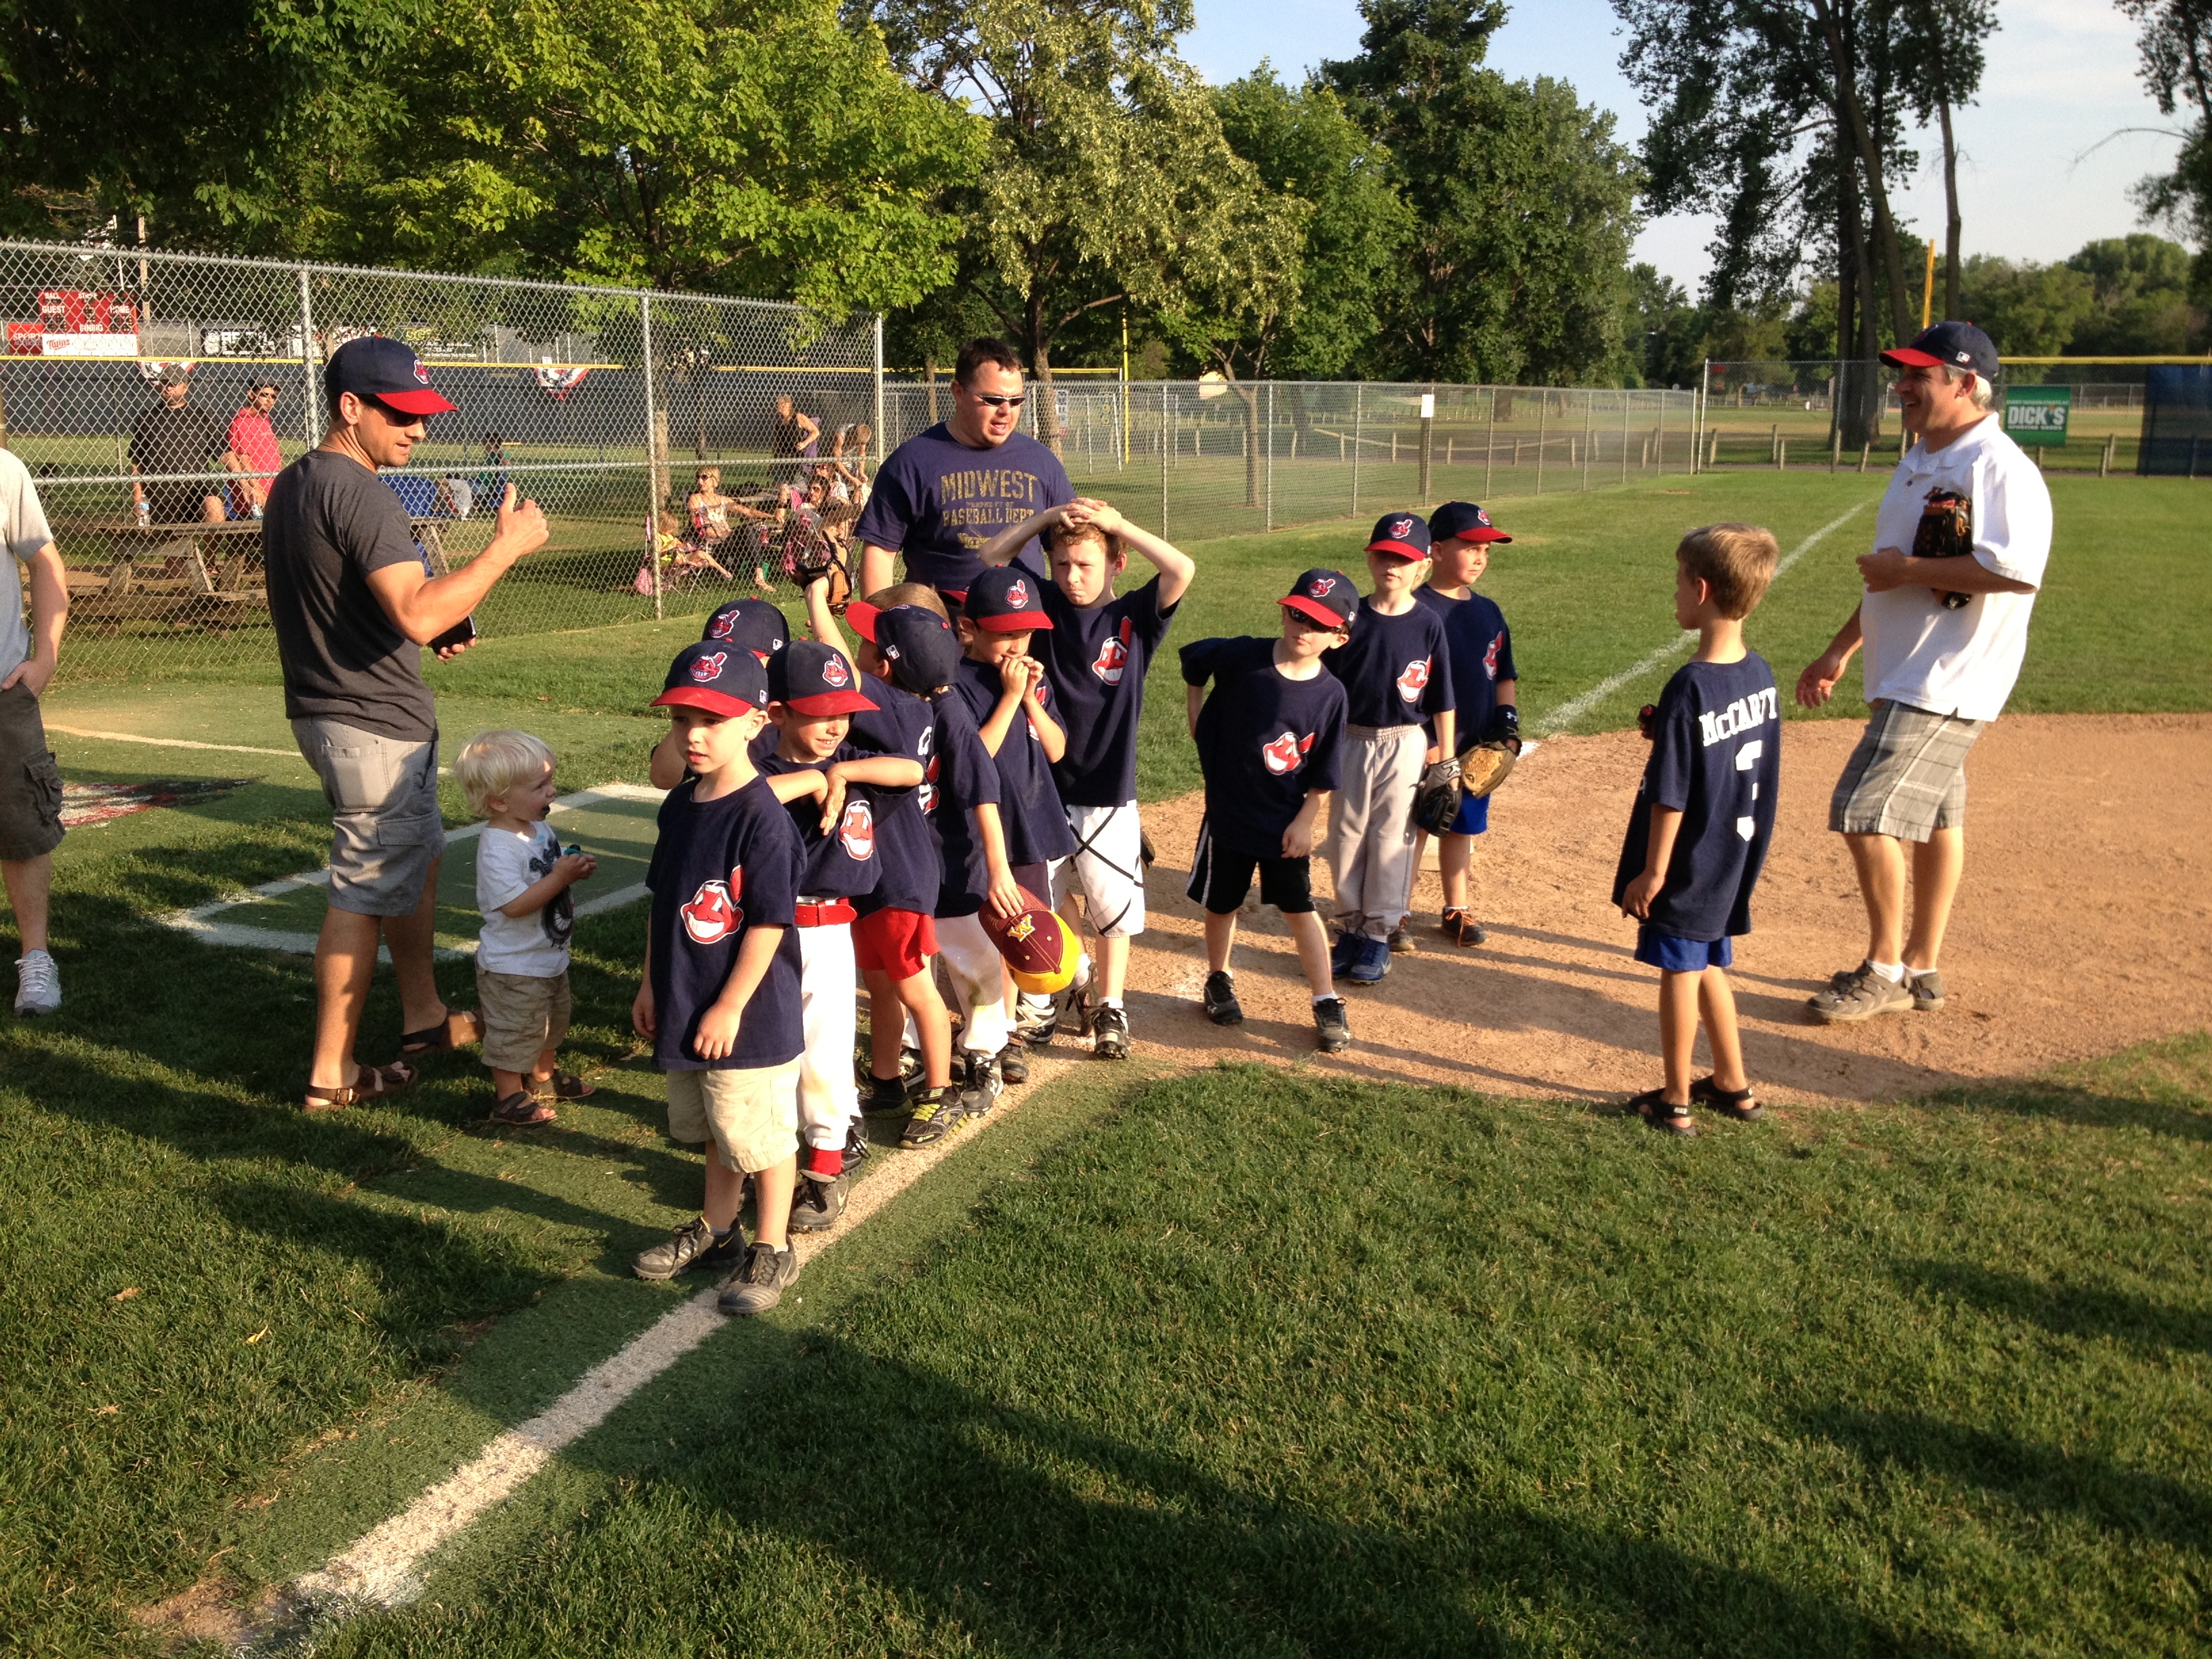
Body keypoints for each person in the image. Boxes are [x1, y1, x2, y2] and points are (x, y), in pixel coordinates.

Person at [264, 335, 550, 1111]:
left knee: (414, 858)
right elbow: (418, 613)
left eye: (423, 414)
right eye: (400, 413)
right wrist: (504, 550)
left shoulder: (298, 480)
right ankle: (332, 1073)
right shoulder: (358, 489)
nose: (418, 429)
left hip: (339, 711)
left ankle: (424, 1017)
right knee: (362, 890)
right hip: (370, 725)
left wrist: (428, 621)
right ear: (349, 407)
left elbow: (355, 600)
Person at [1795, 321, 2050, 1023]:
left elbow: (2016, 571)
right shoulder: (1919, 459)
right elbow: (1888, 576)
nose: (1901, 386)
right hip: (1906, 669)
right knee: (1938, 819)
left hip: (1946, 678)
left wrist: (1908, 569)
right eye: (1902, 374)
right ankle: (1920, 966)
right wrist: (1842, 649)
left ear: (1966, 385)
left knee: (1862, 809)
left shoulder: (1996, 466)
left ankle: (1882, 970)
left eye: (1919, 376)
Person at [973, 497, 1192, 1060]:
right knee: (1043, 898)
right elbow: (991, 560)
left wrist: (1120, 526)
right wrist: (1046, 522)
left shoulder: (1135, 615)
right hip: (1041, 783)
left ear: (1117, 564)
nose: (1072, 577)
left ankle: (1110, 1004)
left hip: (1108, 788)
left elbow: (1181, 569)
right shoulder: (1044, 604)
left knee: (1111, 906)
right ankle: (1062, 982)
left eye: (1087, 565)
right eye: (1063, 564)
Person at [630, 642, 808, 1315]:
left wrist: (730, 1004)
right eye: (682, 720)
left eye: (712, 720)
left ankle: (773, 1245)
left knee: (759, 1136)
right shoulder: (680, 805)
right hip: (687, 997)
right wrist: (650, 984)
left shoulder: (763, 818)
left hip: (748, 1014)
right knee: (717, 1126)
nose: (693, 735)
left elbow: (768, 923)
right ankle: (718, 1227)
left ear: (757, 723)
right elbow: (663, 900)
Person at [1613, 525, 1783, 1136]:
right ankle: (1733, 1083)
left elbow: (1671, 794)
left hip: (1691, 855)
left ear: (1703, 590)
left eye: (1680, 582)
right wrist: (1669, 733)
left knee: (1681, 970)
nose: (1676, 593)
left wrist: (1653, 871)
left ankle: (1676, 1098)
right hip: (1733, 849)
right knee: (1709, 960)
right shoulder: (1759, 673)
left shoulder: (1690, 684)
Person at [755, 640, 924, 1231]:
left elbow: (911, 769)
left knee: (825, 1058)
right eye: (819, 713)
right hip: (766, 934)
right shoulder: (760, 769)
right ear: (778, 714)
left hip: (828, 935)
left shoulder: (849, 760)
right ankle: (765, 1163)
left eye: (844, 713)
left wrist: (840, 773)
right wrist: (810, 782)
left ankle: (827, 1170)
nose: (835, 726)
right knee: (769, 1058)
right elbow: (739, 802)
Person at [806, 586, 965, 1131]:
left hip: (899, 878)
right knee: (879, 985)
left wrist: (816, 602)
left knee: (914, 987)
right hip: (876, 873)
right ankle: (887, 1079)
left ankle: (941, 1090)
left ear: (885, 667)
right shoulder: (907, 707)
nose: (857, 649)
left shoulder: (896, 708)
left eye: (868, 645)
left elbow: (842, 673)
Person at [1180, 570, 1355, 1054]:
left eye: (1319, 624)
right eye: (1298, 614)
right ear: (1284, 611)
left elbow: (1324, 771)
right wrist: (1199, 721)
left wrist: (1306, 820)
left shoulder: (1331, 695)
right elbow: (1194, 661)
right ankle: (1218, 979)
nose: (1304, 628)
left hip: (1284, 824)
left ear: (1339, 637)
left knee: (1300, 908)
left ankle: (1325, 998)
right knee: (1222, 904)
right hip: (1229, 815)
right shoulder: (1243, 656)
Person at [946, 565, 1076, 1084]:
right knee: (987, 934)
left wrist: (1027, 699)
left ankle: (1012, 1028)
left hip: (1030, 823)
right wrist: (1006, 698)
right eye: (1004, 633)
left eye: (1025, 632)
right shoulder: (956, 686)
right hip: (981, 831)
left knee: (1020, 931)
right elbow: (974, 759)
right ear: (969, 629)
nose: (1017, 644)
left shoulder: (1031, 683)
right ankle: (993, 1029)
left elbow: (1057, 748)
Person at [1322, 513, 1455, 985]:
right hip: (1351, 738)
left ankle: (1379, 934)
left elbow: (1442, 698)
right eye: (1384, 555)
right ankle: (1350, 927)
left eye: (1403, 558)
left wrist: (1448, 760)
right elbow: (1323, 684)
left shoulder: (1428, 623)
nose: (1392, 565)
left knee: (1391, 837)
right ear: (1370, 558)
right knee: (1345, 835)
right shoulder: (1350, 617)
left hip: (1405, 740)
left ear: (1423, 565)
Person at [855, 337, 1074, 607]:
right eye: (993, 399)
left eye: (1016, 400)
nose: (1006, 411)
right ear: (958, 392)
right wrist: (880, 623)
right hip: (940, 625)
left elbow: (1066, 548)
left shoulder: (1041, 461)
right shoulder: (912, 461)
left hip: (1023, 623)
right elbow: (880, 551)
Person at [453, 730, 598, 1127]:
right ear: (499, 801)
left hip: (547, 956)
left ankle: (543, 1077)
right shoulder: (498, 847)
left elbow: (549, 867)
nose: (552, 791)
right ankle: (508, 1097)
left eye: (550, 781)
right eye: (539, 786)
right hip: (513, 964)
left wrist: (572, 866)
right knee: (514, 1031)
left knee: (551, 1023)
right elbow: (515, 905)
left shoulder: (537, 828)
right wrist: (561, 878)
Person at [1414, 501, 1519, 947]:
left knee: (1460, 825)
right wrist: (1425, 744)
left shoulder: (1489, 612)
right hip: (1424, 745)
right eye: (1471, 547)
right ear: (1437, 551)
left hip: (1475, 746)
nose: (1480, 557)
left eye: (1486, 550)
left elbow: (1504, 674)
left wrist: (1507, 726)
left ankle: (1456, 908)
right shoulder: (1414, 611)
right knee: (1417, 826)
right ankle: (1394, 911)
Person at [0, 446, 67, 1016]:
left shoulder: (4, 470)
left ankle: (36, 957)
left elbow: (45, 563)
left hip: (3, 689)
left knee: (23, 826)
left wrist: (44, 657)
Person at [131, 365, 228, 525]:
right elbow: (137, 462)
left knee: (214, 506)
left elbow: (225, 454)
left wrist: (247, 484)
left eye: (174, 384)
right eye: (165, 383)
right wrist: (138, 498)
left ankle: (211, 543)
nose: (169, 387)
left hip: (196, 490)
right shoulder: (147, 418)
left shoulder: (202, 416)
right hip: (160, 495)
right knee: (155, 533)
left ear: (185, 388)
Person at [224, 380, 284, 518]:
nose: (270, 400)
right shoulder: (242, 420)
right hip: (253, 497)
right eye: (264, 395)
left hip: (270, 490)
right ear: (251, 394)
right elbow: (243, 460)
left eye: (273, 396)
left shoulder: (264, 417)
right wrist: (259, 491)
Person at [770, 395, 821, 483]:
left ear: (788, 404)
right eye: (776, 404)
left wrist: (804, 443)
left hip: (797, 458)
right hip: (782, 458)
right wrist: (772, 462)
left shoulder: (798, 417)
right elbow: (777, 444)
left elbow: (815, 432)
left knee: (796, 484)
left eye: (780, 403)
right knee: (780, 484)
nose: (777, 406)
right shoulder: (779, 422)